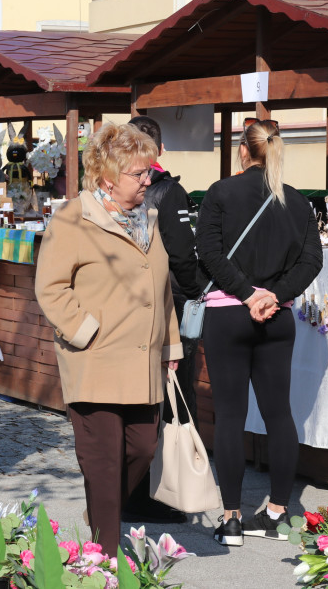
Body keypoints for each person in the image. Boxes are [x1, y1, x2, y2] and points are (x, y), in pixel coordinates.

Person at [35, 123, 183, 555]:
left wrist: (171, 347)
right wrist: (86, 332)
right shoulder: (73, 219)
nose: (148, 179)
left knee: (142, 448)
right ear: (107, 178)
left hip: (144, 362)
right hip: (95, 360)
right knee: (102, 462)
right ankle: (104, 561)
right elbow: (51, 288)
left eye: (148, 171)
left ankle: (101, 510)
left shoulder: (148, 220)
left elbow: (163, 290)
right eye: (138, 173)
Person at [195, 119, 322, 546]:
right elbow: (311, 263)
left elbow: (209, 253)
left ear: (243, 152)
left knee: (229, 415)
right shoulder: (300, 204)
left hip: (229, 314)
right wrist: (273, 296)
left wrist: (248, 294)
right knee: (279, 413)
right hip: (277, 317)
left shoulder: (220, 193)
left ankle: (231, 519)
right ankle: (279, 513)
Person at [122, 115, 202, 525]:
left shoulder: (111, 186)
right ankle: (155, 492)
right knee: (170, 401)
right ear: (158, 150)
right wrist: (196, 293)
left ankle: (129, 489)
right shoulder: (169, 191)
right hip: (167, 305)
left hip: (126, 309)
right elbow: (183, 256)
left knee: (133, 403)